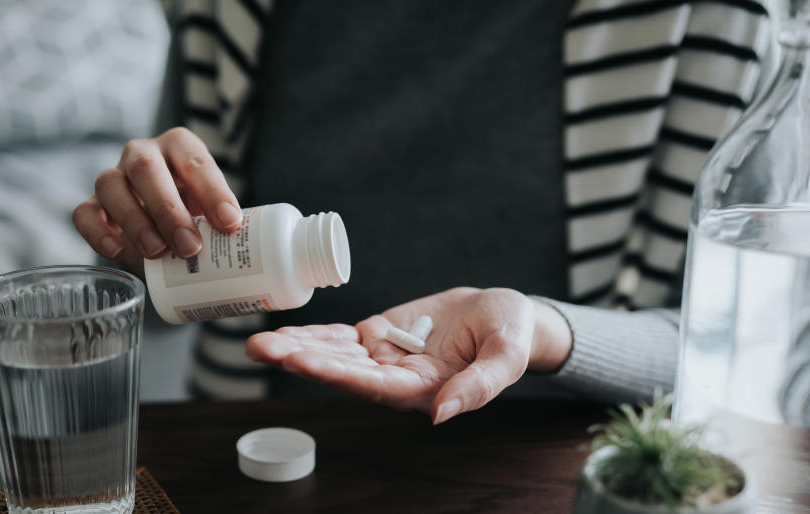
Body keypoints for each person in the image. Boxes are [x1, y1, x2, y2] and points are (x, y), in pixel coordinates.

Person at [72, 0, 773, 422]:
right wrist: (142, 249)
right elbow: (155, 285)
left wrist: (544, 331)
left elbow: (743, 349)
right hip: (267, 460)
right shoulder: (236, 10)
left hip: (553, 492)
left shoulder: (716, 20)